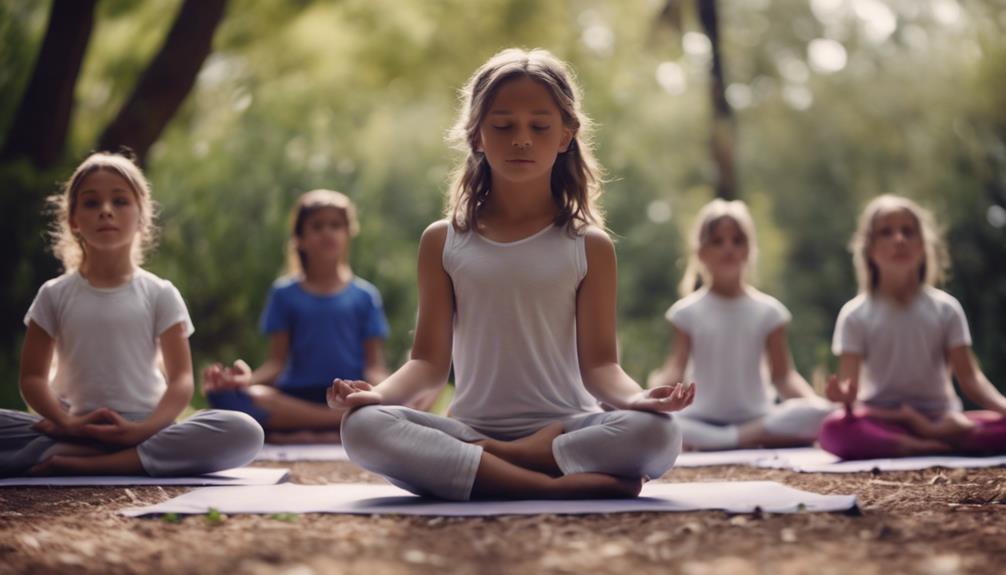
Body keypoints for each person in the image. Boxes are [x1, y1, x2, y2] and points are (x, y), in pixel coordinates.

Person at [328, 48, 695, 502]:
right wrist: (376, 396)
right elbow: (428, 365)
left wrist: (641, 399)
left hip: (567, 426)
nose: (522, 138)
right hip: (469, 428)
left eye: (539, 126)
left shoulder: (589, 244)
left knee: (657, 434)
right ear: (477, 136)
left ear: (566, 135)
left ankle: (492, 466)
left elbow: (601, 366)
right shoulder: (442, 240)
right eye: (503, 126)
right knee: (362, 427)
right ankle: (550, 484)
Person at [0, 152, 263, 477]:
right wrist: (67, 423)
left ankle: (98, 461)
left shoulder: (160, 293)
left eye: (120, 201)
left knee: (243, 430)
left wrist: (145, 429)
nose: (106, 211)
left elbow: (181, 379)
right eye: (92, 203)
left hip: (147, 426)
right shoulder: (53, 294)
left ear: (141, 216)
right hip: (70, 426)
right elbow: (32, 378)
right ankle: (95, 450)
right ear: (72, 219)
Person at [203, 189, 429, 444]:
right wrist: (242, 382)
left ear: (348, 234)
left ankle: (315, 427)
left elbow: (373, 366)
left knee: (414, 398)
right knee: (231, 398)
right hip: (294, 398)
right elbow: (276, 363)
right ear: (300, 238)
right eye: (317, 226)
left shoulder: (365, 296)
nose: (328, 233)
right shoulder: (283, 294)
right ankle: (341, 424)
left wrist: (395, 393)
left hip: (349, 394)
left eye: (336, 225)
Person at [820, 194, 1006, 459]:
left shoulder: (946, 308)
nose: (899, 239)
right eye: (886, 232)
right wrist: (844, 398)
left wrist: (1002, 406)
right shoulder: (854, 315)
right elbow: (852, 396)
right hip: (884, 419)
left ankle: (923, 440)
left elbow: (971, 379)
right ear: (869, 249)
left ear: (922, 245)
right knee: (833, 429)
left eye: (908, 231)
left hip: (943, 419)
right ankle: (922, 444)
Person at [650, 199, 833, 451]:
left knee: (820, 412)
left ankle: (723, 441)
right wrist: (650, 398)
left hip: (758, 418)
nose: (729, 248)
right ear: (702, 252)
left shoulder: (769, 312)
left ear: (749, 250)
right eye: (718, 241)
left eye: (737, 240)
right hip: (701, 419)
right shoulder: (686, 313)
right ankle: (739, 440)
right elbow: (675, 371)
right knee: (656, 423)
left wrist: (816, 407)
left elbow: (783, 376)